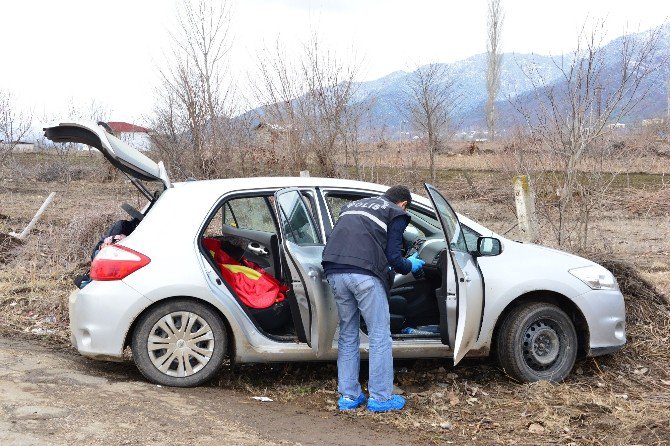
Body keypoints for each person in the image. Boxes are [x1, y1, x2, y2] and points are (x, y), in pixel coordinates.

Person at [322, 185, 425, 412]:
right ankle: (380, 398)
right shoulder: (395, 212)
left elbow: (341, 239)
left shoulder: (352, 206)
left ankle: (348, 397)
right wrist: (412, 264)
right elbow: (394, 258)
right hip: (364, 275)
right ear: (404, 204)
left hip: (334, 270)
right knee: (379, 335)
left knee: (348, 333)